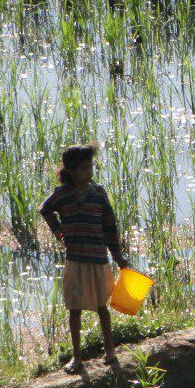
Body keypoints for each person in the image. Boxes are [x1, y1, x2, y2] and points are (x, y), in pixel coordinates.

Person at [40, 142, 129, 374]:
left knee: (102, 306)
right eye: (84, 169)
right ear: (70, 171)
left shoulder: (98, 194)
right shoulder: (62, 195)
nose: (89, 172)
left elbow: (110, 225)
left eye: (91, 167)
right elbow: (45, 209)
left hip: (98, 256)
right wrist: (59, 231)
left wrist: (117, 254)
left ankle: (110, 350)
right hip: (75, 258)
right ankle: (77, 357)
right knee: (75, 308)